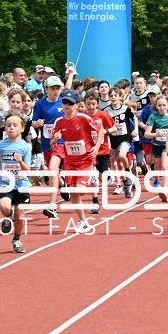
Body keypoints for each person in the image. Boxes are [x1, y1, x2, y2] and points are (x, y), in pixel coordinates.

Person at [51, 89, 102, 233]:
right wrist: (54, 140)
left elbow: (101, 131)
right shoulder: (59, 121)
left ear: (76, 104)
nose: (66, 105)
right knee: (73, 194)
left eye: (70, 103)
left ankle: (92, 178)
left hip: (85, 160)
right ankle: (83, 221)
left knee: (79, 191)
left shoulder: (83, 118)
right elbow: (53, 142)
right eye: (64, 102)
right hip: (70, 161)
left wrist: (97, 147)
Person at [0, 111, 32, 253]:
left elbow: (28, 171)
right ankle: (8, 216)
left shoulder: (26, 147)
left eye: (14, 125)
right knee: (5, 207)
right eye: (8, 125)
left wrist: (20, 162)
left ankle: (17, 239)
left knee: (20, 217)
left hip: (22, 185)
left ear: (22, 128)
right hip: (5, 184)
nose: (11, 128)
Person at [31, 75, 67, 218]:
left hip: (60, 142)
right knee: (54, 173)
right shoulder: (40, 104)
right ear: (47, 90)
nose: (55, 91)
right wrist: (36, 124)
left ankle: (52, 205)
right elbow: (34, 122)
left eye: (58, 88)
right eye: (53, 88)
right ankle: (63, 183)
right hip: (46, 143)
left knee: (52, 169)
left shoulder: (64, 103)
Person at [83, 89, 115, 213]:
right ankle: (95, 201)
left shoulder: (102, 115)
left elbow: (113, 128)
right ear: (85, 103)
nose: (91, 106)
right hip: (89, 151)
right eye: (88, 103)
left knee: (102, 176)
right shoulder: (83, 116)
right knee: (93, 177)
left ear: (97, 103)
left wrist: (105, 132)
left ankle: (108, 175)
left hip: (103, 150)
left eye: (93, 104)